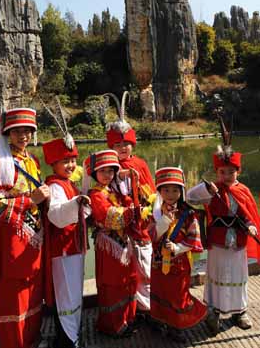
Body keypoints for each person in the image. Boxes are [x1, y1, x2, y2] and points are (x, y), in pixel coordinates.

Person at [0, 108, 50, 348]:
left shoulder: (32, 160)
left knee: (33, 289)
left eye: (27, 131)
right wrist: (30, 200)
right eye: (17, 132)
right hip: (12, 238)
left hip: (33, 237)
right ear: (8, 134)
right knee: (15, 293)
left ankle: (32, 339)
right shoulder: (0, 164)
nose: (23, 136)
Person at [187, 144, 260, 334]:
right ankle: (213, 312)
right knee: (217, 276)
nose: (226, 176)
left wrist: (251, 226)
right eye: (221, 172)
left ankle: (240, 312)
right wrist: (206, 189)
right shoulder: (212, 192)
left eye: (230, 172)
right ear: (216, 172)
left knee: (239, 277)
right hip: (217, 242)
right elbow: (190, 197)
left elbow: (249, 214)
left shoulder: (243, 190)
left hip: (238, 243)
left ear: (238, 171)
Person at [106, 92, 156, 314]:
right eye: (118, 144)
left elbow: (152, 194)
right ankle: (130, 311)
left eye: (127, 143)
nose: (124, 148)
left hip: (141, 225)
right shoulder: (105, 166)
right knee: (124, 271)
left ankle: (148, 308)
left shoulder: (140, 164)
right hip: (118, 228)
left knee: (145, 268)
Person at [83, 149, 138, 337]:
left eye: (111, 171)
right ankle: (112, 325)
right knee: (112, 284)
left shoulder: (112, 190)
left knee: (126, 281)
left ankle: (127, 318)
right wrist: (132, 210)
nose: (108, 175)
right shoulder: (96, 194)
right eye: (103, 171)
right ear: (94, 173)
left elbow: (127, 204)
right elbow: (112, 218)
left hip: (121, 244)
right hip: (108, 246)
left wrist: (129, 205)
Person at [42, 136, 91, 348]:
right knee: (66, 295)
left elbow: (82, 211)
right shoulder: (54, 186)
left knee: (73, 293)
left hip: (73, 247)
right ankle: (68, 339)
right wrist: (77, 202)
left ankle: (71, 334)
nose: (71, 165)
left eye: (73, 160)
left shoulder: (67, 184)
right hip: (62, 249)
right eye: (65, 161)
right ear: (53, 164)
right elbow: (56, 216)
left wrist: (81, 202)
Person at [149, 167, 207, 341]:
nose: (171, 194)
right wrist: (164, 221)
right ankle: (160, 320)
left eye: (175, 190)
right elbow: (150, 236)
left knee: (178, 294)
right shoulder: (154, 212)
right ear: (159, 191)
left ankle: (177, 326)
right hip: (158, 263)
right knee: (160, 291)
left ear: (182, 191)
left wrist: (177, 248)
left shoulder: (188, 214)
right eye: (166, 189)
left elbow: (194, 238)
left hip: (179, 262)